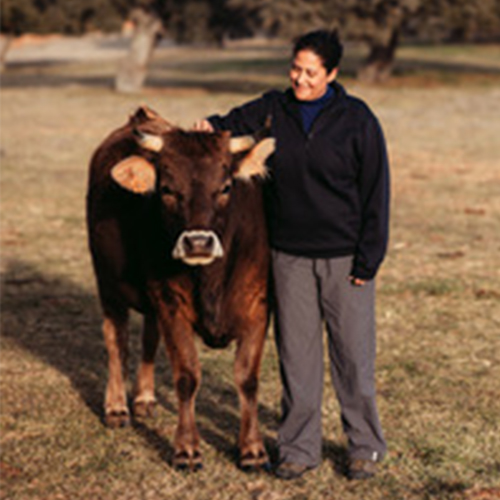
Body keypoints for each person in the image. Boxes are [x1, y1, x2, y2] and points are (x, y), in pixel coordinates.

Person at [194, 29, 390, 481]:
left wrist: (368, 259)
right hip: (289, 258)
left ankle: (365, 447)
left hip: (346, 260)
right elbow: (228, 123)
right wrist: (209, 123)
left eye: (311, 72)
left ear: (333, 74)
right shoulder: (273, 109)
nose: (300, 79)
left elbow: (376, 191)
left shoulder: (357, 120)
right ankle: (299, 449)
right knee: (297, 359)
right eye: (295, 69)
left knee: (353, 357)